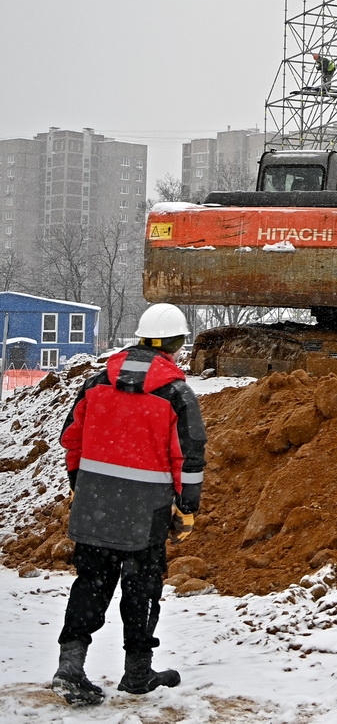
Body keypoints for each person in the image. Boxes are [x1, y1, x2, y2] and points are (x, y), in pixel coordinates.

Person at [52, 303, 206, 706]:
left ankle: (70, 666)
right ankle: (137, 672)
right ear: (176, 344)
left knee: (91, 582)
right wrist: (187, 508)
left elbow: (72, 440)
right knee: (142, 588)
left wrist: (78, 486)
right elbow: (189, 460)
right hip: (146, 512)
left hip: (95, 504)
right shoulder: (177, 394)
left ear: (139, 339)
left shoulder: (95, 383)